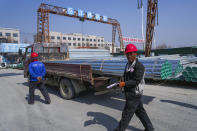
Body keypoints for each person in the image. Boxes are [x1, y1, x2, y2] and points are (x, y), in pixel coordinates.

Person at [115, 44, 154, 131]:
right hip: (129, 92)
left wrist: (124, 84)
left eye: (131, 53)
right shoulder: (128, 64)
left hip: (134, 94)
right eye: (127, 54)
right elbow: (126, 76)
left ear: (135, 53)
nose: (129, 56)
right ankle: (149, 128)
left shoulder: (139, 66)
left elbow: (136, 81)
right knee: (140, 112)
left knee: (126, 114)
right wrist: (122, 81)